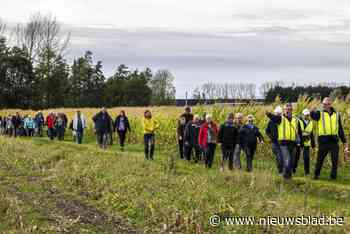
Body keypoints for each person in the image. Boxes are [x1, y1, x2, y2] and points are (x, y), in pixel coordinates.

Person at [310, 97, 349, 180]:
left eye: (326, 104)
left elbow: (340, 129)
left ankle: (333, 177)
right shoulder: (319, 113)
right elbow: (313, 116)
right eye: (323, 104)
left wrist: (344, 141)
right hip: (323, 141)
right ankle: (316, 175)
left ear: (330, 104)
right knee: (320, 160)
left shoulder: (336, 115)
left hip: (334, 141)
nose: (324, 106)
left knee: (335, 160)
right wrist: (312, 110)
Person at [266, 103, 303, 180]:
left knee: (292, 161)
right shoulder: (280, 119)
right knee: (287, 159)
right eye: (286, 109)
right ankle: (286, 177)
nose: (288, 110)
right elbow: (273, 118)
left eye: (289, 109)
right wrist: (269, 114)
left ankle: (288, 176)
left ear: (292, 110)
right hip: (283, 143)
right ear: (284, 110)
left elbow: (299, 133)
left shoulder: (296, 120)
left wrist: (300, 143)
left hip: (293, 143)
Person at [293, 109, 316, 175]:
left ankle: (307, 172)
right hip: (299, 141)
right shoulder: (298, 121)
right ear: (302, 115)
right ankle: (293, 169)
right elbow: (298, 132)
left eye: (308, 115)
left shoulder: (311, 122)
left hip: (307, 142)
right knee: (296, 157)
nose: (307, 116)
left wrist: (313, 145)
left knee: (306, 157)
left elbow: (311, 134)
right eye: (305, 115)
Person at [265, 106, 284, 174]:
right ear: (275, 113)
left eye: (279, 114)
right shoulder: (271, 122)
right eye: (277, 113)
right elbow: (267, 131)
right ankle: (280, 171)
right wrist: (271, 137)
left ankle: (281, 169)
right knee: (279, 156)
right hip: (274, 142)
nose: (278, 115)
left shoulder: (282, 121)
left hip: (282, 142)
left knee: (280, 156)